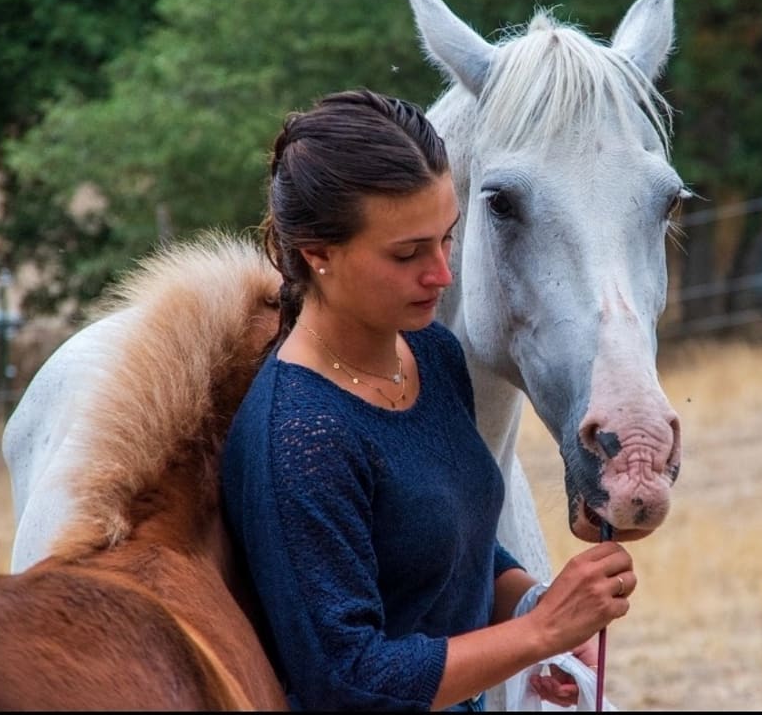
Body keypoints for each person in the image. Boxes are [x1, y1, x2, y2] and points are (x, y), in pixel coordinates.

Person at [220, 88, 636, 711]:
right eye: (409, 253)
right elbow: (349, 679)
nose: (442, 273)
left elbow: (450, 543)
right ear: (319, 254)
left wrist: (533, 605)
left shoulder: (433, 354)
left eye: (447, 238)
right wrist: (536, 634)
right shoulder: (300, 433)